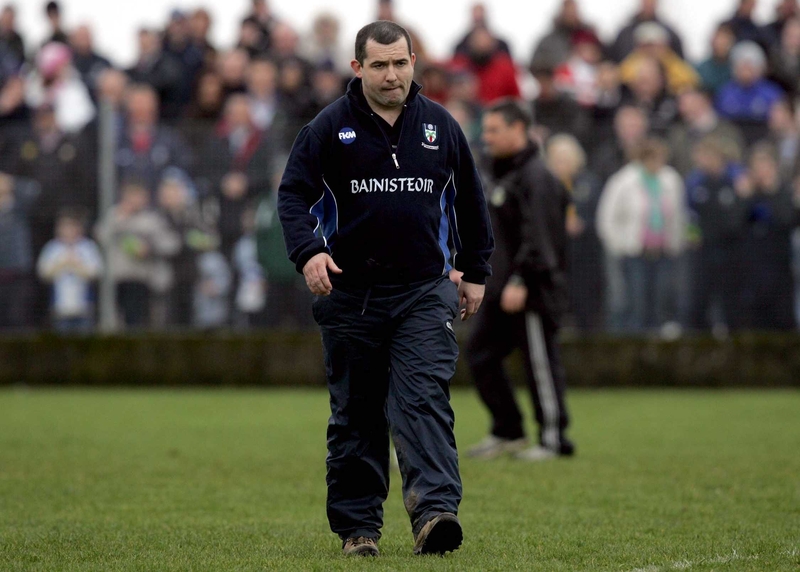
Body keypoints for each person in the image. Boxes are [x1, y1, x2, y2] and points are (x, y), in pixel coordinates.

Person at [277, 20, 493, 557]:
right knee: (357, 413)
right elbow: (292, 197)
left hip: (425, 291)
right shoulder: (327, 129)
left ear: (414, 63)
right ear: (358, 68)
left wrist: (475, 270)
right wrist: (309, 253)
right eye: (379, 65)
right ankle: (359, 531)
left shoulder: (441, 126)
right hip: (350, 296)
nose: (391, 74)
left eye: (400, 63)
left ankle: (435, 514)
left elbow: (471, 201)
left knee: (423, 400)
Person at [465, 100, 575, 462]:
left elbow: (539, 236)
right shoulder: (504, 173)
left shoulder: (537, 177)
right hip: (501, 288)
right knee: (480, 354)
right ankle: (507, 430)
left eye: (495, 130)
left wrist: (521, 279)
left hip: (530, 288)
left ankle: (554, 437)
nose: (487, 137)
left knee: (539, 362)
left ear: (518, 130)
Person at [36, 208, 103, 331]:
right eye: (65, 227)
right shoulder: (52, 248)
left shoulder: (88, 247)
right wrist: (62, 264)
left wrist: (76, 265)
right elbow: (44, 273)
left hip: (84, 308)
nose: (69, 231)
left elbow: (95, 273)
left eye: (72, 227)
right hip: (60, 308)